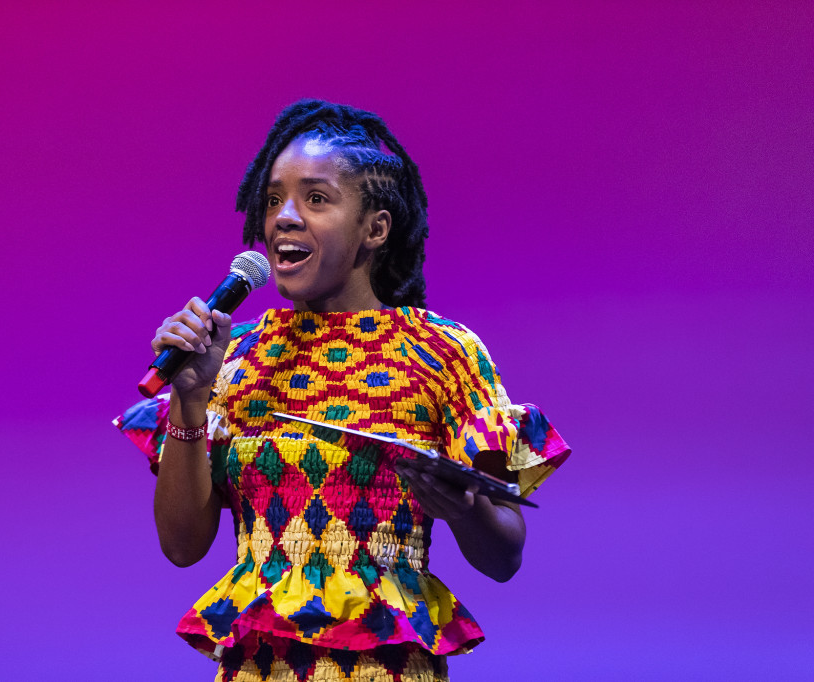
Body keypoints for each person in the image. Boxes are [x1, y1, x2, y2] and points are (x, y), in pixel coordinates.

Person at [116, 99, 571, 681]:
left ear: (375, 229)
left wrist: (464, 510)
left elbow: (505, 555)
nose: (284, 217)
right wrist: (189, 398)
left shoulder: (442, 353)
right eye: (274, 199)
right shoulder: (234, 358)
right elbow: (182, 547)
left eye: (316, 198)